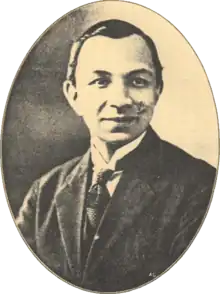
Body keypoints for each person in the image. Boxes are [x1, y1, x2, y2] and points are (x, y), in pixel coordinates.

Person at [15, 19, 216, 292]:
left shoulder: (201, 188)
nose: (121, 99)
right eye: (100, 81)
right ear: (73, 95)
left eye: (138, 81)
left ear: (158, 90)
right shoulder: (44, 194)